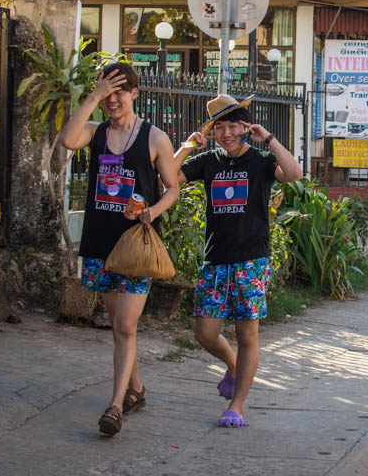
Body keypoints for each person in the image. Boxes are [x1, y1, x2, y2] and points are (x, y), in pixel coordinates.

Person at [59, 63, 180, 436]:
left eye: (119, 93)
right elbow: (67, 139)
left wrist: (152, 211)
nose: (112, 101)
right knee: (119, 326)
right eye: (106, 94)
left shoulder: (154, 138)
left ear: (134, 94)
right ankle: (138, 389)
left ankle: (115, 406)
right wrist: (92, 96)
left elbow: (172, 187)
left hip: (136, 247)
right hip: (100, 243)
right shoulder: (95, 132)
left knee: (126, 325)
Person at [173, 94, 303, 428]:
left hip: (251, 261)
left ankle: (237, 405)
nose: (227, 133)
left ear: (246, 127)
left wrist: (270, 139)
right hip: (215, 260)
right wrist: (188, 146)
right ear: (213, 131)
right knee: (205, 333)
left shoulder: (260, 161)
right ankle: (231, 364)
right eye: (220, 127)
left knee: (248, 335)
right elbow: (167, 177)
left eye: (234, 126)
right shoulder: (208, 161)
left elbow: (293, 173)